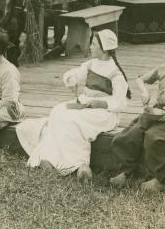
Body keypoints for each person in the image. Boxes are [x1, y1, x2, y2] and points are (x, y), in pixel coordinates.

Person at [16, 29, 130, 180]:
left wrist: (100, 103)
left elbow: (121, 103)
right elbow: (76, 74)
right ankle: (52, 160)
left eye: (94, 44)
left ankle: (80, 164)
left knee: (71, 120)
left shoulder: (116, 73)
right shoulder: (91, 64)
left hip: (105, 113)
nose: (90, 47)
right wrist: (71, 79)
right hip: (85, 103)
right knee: (58, 112)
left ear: (104, 48)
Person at [109, 35, 165, 192]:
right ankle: (127, 172)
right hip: (156, 112)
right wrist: (145, 93)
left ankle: (159, 179)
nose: (164, 58)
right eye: (164, 54)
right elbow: (140, 80)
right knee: (132, 133)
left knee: (153, 136)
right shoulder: (161, 69)